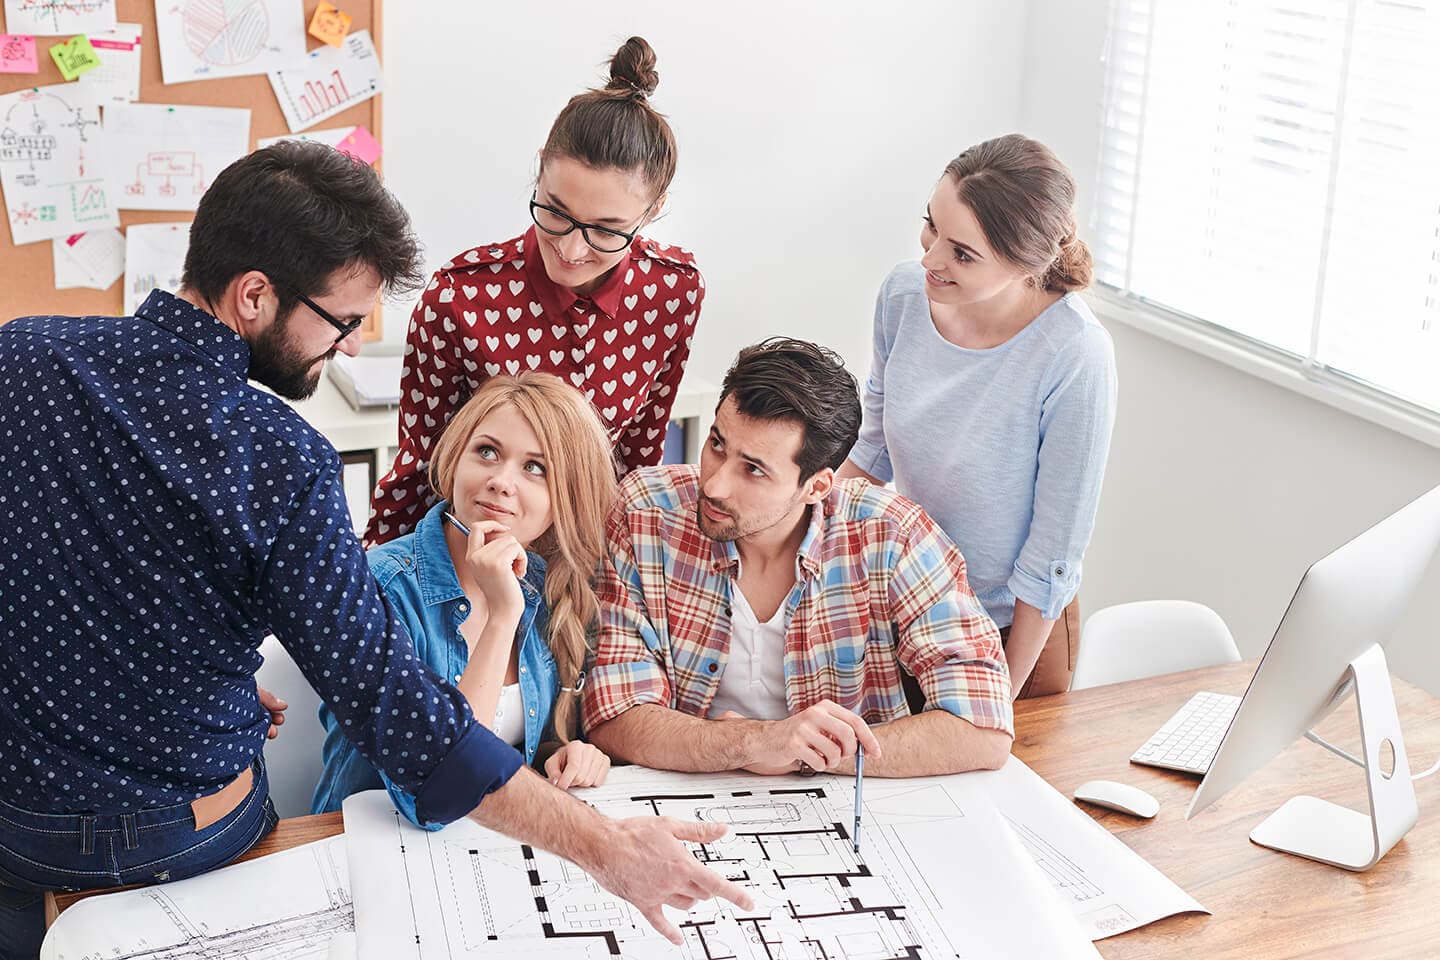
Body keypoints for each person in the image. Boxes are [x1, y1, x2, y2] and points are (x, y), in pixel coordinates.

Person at [0, 142, 747, 960]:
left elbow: (84, 570)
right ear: (255, 295)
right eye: (342, 321)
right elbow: (410, 726)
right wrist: (608, 849)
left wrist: (191, 671)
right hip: (179, 845)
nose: (351, 348)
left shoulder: (22, 355)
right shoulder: (281, 458)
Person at [582, 339, 1014, 778]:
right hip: (687, 800)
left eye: (753, 469)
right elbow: (614, 716)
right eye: (716, 444)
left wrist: (806, 752)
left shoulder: (893, 535)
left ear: (817, 488)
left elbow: (983, 727)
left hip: (842, 811)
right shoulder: (643, 512)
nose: (713, 485)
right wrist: (751, 743)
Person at [367, 35, 703, 547]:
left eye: (607, 230)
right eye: (555, 212)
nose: (570, 250)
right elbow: (421, 469)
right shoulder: (459, 298)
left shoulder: (672, 291)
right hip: (472, 552)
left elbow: (638, 458)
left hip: (590, 554)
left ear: (653, 210)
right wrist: (377, 593)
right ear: (540, 166)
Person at [839, 134, 1118, 699]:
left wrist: (998, 702)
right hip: (915, 604)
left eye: (962, 253)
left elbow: (1053, 556)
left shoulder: (1074, 353)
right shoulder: (903, 296)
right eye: (931, 226)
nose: (930, 259)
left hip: (1016, 630)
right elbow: (872, 450)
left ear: (1027, 266)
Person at [313, 373, 616, 821]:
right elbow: (434, 795)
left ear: (565, 497)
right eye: (487, 452)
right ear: (456, 459)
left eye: (536, 467)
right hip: (367, 844)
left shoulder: (545, 583)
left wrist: (564, 751)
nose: (500, 481)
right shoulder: (380, 587)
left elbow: (511, 736)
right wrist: (501, 618)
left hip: (485, 843)